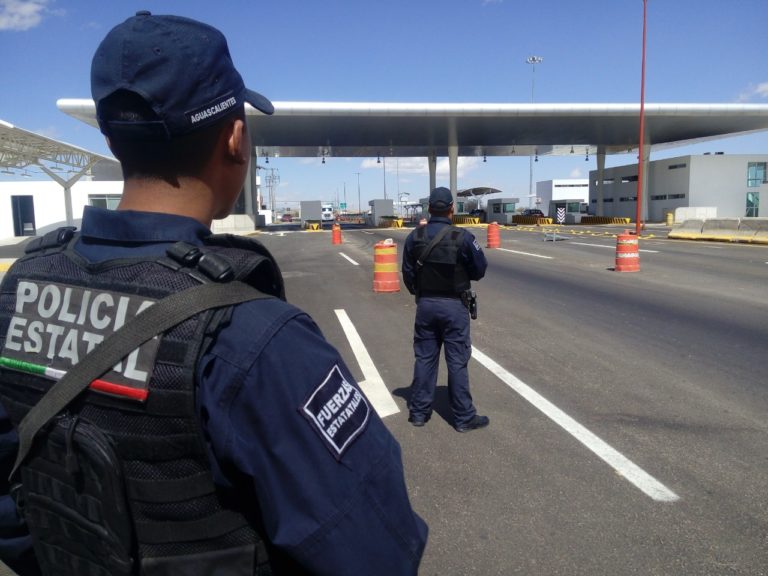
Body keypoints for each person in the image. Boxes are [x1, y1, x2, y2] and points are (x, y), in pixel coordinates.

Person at [0, 11, 427, 575]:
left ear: (111, 138)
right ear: (235, 138)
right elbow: (376, 551)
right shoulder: (254, 338)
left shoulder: (19, 292)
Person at [401, 187, 489, 432]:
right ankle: (463, 418)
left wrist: (421, 294)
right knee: (457, 361)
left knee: (425, 358)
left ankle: (418, 413)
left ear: (429, 208)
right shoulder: (463, 237)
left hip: (426, 305)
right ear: (452, 208)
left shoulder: (414, 237)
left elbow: (407, 274)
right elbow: (479, 270)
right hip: (454, 306)